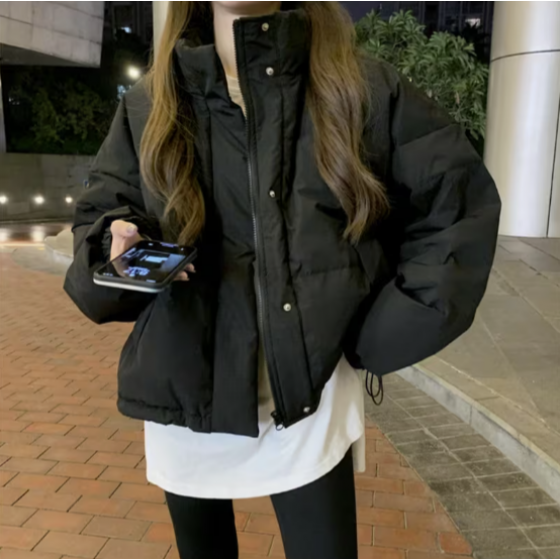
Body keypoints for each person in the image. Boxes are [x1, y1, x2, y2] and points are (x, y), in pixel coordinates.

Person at [64, 2, 501, 559]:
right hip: (185, 390)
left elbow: (456, 206)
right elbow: (99, 221)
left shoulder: (357, 86)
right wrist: (117, 247)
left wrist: (377, 335)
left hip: (310, 398)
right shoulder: (153, 101)